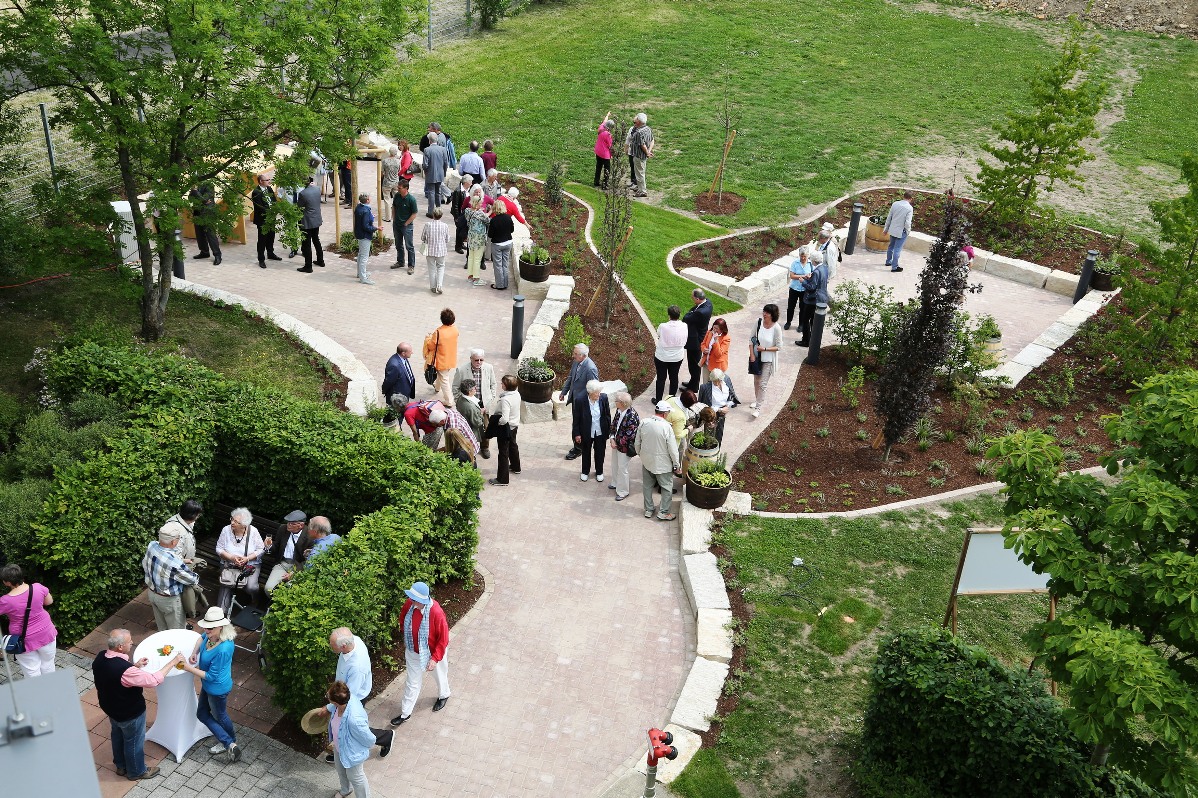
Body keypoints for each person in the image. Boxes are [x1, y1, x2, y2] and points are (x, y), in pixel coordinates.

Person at [93, 629, 183, 781]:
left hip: (110, 708)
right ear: (120, 647)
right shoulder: (125, 671)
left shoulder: (101, 656)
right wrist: (173, 662)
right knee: (134, 741)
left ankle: (121, 766)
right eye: (129, 641)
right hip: (129, 712)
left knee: (117, 735)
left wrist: (135, 666)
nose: (132, 643)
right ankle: (137, 771)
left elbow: (115, 675)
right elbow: (154, 680)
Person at [180, 607, 241, 763]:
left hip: (217, 689)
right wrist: (195, 652)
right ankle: (229, 742)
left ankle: (229, 742)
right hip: (209, 686)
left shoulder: (224, 648)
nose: (206, 629)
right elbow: (201, 638)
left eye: (210, 627)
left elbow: (212, 676)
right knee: (203, 714)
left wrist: (188, 668)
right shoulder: (211, 635)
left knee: (219, 715)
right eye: (205, 626)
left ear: (220, 626)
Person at [389, 581, 451, 726]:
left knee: (439, 674)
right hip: (413, 651)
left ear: (423, 600)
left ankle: (444, 694)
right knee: (412, 682)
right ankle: (405, 713)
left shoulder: (436, 612)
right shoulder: (409, 604)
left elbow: (443, 638)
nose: (412, 602)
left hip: (433, 651)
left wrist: (435, 659)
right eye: (411, 599)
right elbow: (403, 619)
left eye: (415, 600)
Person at [328, 627, 394, 760]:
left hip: (354, 697)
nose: (330, 647)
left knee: (351, 726)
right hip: (345, 692)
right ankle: (339, 749)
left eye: (332, 645)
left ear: (344, 646)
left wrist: (330, 706)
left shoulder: (357, 667)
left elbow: (348, 695)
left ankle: (385, 737)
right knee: (340, 724)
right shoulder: (354, 641)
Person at [0, 563, 57, 678]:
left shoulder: (5, 600)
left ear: (7, 582)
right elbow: (49, 601)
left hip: (23, 640)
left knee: (31, 671)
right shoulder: (38, 587)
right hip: (47, 633)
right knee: (48, 664)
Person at [322, 681, 375, 798]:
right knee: (341, 771)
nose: (327, 697)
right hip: (339, 745)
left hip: (352, 752)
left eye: (328, 697)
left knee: (356, 778)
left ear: (336, 702)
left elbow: (369, 739)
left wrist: (359, 749)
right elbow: (333, 707)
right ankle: (346, 790)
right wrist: (327, 707)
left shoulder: (354, 720)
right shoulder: (345, 699)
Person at [142, 525, 200, 631]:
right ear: (173, 542)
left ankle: (164, 647)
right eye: (178, 538)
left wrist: (182, 560)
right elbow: (191, 580)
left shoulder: (152, 545)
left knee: (162, 628)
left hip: (152, 593)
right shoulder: (175, 563)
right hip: (169, 600)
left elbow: (162, 560)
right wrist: (195, 574)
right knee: (176, 631)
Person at [159, 500, 206, 619]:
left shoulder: (184, 521)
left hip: (186, 562)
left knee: (187, 591)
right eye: (198, 515)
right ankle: (184, 615)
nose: (199, 517)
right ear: (192, 516)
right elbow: (173, 556)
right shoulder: (176, 531)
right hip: (181, 566)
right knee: (185, 592)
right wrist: (187, 562)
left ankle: (187, 611)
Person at [634, 401, 681, 521]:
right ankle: (663, 512)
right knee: (666, 488)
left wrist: (641, 455)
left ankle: (649, 510)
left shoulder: (644, 422)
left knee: (647, 486)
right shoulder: (667, 427)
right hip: (663, 465)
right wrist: (676, 464)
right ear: (665, 413)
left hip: (647, 462)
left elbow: (637, 443)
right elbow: (673, 449)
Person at [215, 507, 264, 615]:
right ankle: (222, 614)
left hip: (250, 565)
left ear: (244, 524)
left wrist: (247, 558)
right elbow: (219, 548)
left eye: (236, 522)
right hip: (229, 565)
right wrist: (232, 558)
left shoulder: (253, 531)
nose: (232, 523)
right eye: (232, 519)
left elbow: (261, 549)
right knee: (225, 593)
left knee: (251, 587)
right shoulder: (226, 530)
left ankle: (255, 599)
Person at [453, 348, 498, 457]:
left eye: (481, 360)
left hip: (483, 404)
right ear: (471, 359)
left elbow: (493, 384)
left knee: (485, 427)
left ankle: (485, 447)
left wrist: (491, 398)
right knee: (468, 427)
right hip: (468, 404)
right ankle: (467, 448)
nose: (479, 362)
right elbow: (455, 387)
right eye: (476, 360)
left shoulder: (489, 368)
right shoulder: (462, 370)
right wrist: (460, 401)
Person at [559, 344, 600, 460]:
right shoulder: (577, 362)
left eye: (576, 354)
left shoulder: (590, 369)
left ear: (583, 355)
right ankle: (578, 444)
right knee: (576, 424)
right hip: (575, 399)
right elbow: (570, 377)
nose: (573, 356)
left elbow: (593, 388)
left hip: (583, 404)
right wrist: (564, 392)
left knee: (579, 426)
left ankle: (578, 448)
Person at [748, 303, 782, 419]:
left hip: (768, 359)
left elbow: (779, 346)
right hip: (757, 357)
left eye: (767, 312)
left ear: (773, 315)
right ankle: (757, 400)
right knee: (756, 380)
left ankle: (758, 408)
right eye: (764, 311)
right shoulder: (758, 323)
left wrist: (765, 349)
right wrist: (752, 354)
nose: (764, 314)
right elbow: (751, 339)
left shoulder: (776, 328)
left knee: (763, 383)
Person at [572, 380, 611, 482]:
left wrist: (608, 431)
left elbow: (607, 415)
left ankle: (599, 472)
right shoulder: (580, 400)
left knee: (600, 452)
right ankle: (585, 471)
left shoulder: (603, 398)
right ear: (590, 392)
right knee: (586, 452)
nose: (599, 394)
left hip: (600, 432)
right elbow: (576, 419)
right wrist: (577, 434)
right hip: (586, 432)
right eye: (596, 393)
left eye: (599, 392)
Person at [264, 510, 309, 595]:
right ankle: (272, 604)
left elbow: (308, 560)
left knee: (290, 591)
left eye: (292, 523)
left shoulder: (309, 535)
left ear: (301, 525)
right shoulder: (283, 529)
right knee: (268, 589)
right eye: (288, 522)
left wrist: (295, 572)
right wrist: (269, 546)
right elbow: (276, 546)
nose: (288, 525)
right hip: (282, 564)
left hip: (298, 567)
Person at [489, 375, 521, 486]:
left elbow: (504, 418)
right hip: (514, 425)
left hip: (506, 427)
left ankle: (502, 479)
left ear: (506, 386)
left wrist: (498, 423)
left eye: (502, 383)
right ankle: (516, 467)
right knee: (513, 445)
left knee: (503, 452)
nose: (501, 384)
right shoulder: (517, 394)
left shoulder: (505, 399)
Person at [608, 392, 640, 502]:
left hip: (624, 447)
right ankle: (615, 482)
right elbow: (614, 425)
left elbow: (630, 435)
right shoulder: (619, 410)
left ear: (622, 403)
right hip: (616, 443)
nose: (615, 402)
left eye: (616, 401)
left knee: (623, 469)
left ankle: (623, 491)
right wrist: (612, 438)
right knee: (615, 464)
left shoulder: (632, 416)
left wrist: (616, 442)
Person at [653, 304, 689, 403]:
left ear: (669, 315)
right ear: (679, 315)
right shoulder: (684, 325)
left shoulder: (663, 326)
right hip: (677, 357)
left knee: (661, 378)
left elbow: (659, 335)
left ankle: (658, 400)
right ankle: (672, 399)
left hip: (662, 357)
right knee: (674, 377)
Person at [424, 308, 459, 406]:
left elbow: (431, 346)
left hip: (441, 359)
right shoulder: (455, 329)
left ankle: (449, 401)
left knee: (444, 379)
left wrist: (428, 338)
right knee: (442, 375)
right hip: (450, 357)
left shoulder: (438, 332)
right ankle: (437, 388)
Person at [682, 288, 714, 391]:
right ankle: (692, 382)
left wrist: (690, 313)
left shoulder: (700, 312)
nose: (692, 299)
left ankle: (694, 387)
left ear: (697, 298)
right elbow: (691, 312)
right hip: (699, 336)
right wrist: (691, 312)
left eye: (693, 298)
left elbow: (686, 318)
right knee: (693, 364)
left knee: (694, 365)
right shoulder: (707, 303)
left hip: (695, 341)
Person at [697, 368, 741, 442]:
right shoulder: (704, 387)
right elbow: (702, 405)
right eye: (714, 381)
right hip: (710, 413)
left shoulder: (726, 380)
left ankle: (717, 451)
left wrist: (727, 406)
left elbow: (731, 397)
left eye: (719, 381)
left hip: (723, 412)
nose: (717, 383)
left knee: (719, 434)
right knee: (709, 436)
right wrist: (719, 409)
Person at [798, 251, 829, 348]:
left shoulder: (816, 272)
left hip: (813, 299)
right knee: (813, 320)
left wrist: (803, 281)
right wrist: (810, 277)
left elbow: (812, 287)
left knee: (805, 320)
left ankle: (806, 341)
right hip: (821, 297)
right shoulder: (824, 268)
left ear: (814, 261)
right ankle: (813, 340)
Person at [250, 173, 282, 269]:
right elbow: (260, 207)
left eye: (269, 179)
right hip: (263, 219)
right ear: (260, 181)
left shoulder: (269, 189)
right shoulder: (256, 192)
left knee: (271, 236)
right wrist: (271, 212)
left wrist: (276, 210)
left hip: (271, 217)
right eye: (267, 180)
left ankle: (270, 253)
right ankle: (261, 259)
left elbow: (274, 201)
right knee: (262, 239)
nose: (269, 181)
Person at [296, 176, 325, 273]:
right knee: (316, 239)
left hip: (307, 221)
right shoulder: (317, 189)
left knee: (306, 243)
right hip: (316, 219)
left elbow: (299, 206)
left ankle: (308, 266)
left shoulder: (303, 193)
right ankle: (321, 261)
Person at [188, 182, 222, 265]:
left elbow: (205, 199)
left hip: (208, 214)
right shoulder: (194, 186)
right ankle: (204, 252)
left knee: (211, 235)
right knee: (199, 234)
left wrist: (195, 192)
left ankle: (217, 255)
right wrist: (200, 198)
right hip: (197, 213)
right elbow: (190, 199)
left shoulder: (209, 185)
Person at [421, 207, 450, 295]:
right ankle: (439, 285)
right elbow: (447, 239)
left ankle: (433, 287)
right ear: (441, 216)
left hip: (430, 250)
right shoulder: (445, 226)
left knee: (431, 268)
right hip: (441, 250)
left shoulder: (427, 225)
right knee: (441, 267)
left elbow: (423, 237)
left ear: (433, 215)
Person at [883, 191, 914, 273]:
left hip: (892, 229)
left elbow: (889, 217)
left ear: (903, 196)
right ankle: (894, 267)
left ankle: (888, 261)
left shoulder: (895, 204)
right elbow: (907, 222)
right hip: (901, 231)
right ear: (911, 199)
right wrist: (908, 231)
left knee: (891, 246)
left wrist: (886, 229)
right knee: (897, 249)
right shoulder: (909, 208)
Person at [454, 378, 486, 457]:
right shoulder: (470, 407)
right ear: (469, 391)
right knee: (470, 449)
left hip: (464, 426)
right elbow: (477, 423)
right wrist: (481, 413)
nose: (476, 389)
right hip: (471, 430)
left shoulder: (460, 398)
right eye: (474, 388)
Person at [487, 199, 514, 290]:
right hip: (508, 243)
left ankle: (499, 285)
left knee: (498, 265)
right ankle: (505, 284)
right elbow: (512, 230)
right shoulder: (508, 217)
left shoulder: (494, 220)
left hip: (497, 244)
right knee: (505, 264)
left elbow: (490, 235)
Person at [784, 249, 812, 331]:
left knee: (803, 307)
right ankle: (788, 322)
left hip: (804, 289)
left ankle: (801, 324)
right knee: (791, 306)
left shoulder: (810, 264)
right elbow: (792, 276)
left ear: (807, 256)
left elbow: (812, 274)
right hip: (794, 288)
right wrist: (804, 276)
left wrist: (809, 276)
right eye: (801, 256)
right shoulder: (795, 263)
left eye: (804, 256)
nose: (803, 258)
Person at [422, 133, 450, 216]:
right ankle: (439, 210)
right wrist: (444, 173)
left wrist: (426, 172)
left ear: (429, 140)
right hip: (440, 174)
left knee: (431, 192)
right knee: (438, 192)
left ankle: (431, 212)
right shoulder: (443, 149)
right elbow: (446, 163)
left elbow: (425, 165)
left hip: (430, 174)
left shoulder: (427, 150)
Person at [382, 342, 417, 407]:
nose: (412, 353)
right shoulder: (394, 365)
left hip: (404, 394)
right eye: (410, 351)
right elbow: (389, 381)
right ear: (403, 353)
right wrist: (385, 391)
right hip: (398, 398)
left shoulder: (403, 358)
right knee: (396, 415)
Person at [464, 194, 490, 282]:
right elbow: (487, 221)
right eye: (480, 204)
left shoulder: (467, 211)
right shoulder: (480, 214)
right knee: (477, 258)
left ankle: (470, 275)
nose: (481, 205)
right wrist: (490, 212)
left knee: (471, 257)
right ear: (476, 203)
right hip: (479, 239)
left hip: (470, 237)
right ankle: (476, 277)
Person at [353, 193, 376, 286]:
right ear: (367, 201)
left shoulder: (359, 207)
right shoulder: (366, 210)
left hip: (359, 233)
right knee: (364, 257)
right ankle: (363, 278)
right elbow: (366, 226)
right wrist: (376, 228)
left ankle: (360, 273)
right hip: (365, 235)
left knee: (360, 254)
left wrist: (371, 217)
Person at [698, 317, 730, 386]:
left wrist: (716, 341)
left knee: (715, 386)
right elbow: (703, 344)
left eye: (717, 329)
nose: (714, 330)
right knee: (706, 385)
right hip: (707, 363)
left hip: (717, 367)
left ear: (722, 329)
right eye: (714, 327)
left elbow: (719, 354)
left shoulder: (726, 338)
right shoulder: (709, 332)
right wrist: (703, 349)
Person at [628, 112, 654, 197]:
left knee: (639, 174)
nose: (635, 120)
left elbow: (642, 145)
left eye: (636, 119)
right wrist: (649, 152)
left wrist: (647, 153)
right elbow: (652, 140)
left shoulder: (639, 132)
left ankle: (642, 191)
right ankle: (639, 187)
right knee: (640, 172)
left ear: (639, 121)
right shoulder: (648, 129)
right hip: (643, 155)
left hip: (638, 155)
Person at [450, 174, 474, 254]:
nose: (471, 183)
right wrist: (457, 217)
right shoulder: (458, 191)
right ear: (466, 182)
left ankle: (461, 243)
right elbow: (455, 206)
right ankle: (458, 246)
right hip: (460, 214)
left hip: (465, 214)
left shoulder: (468, 190)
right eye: (470, 182)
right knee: (459, 230)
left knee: (464, 229)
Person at [380, 145, 401, 223]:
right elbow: (399, 170)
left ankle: (388, 217)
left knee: (387, 199)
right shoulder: (398, 161)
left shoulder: (385, 161)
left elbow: (382, 172)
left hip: (387, 182)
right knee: (396, 199)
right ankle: (396, 216)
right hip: (396, 182)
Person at [594, 112, 615, 187]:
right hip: (605, 155)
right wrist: (612, 154)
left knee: (598, 167)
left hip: (598, 152)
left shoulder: (601, 127)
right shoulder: (608, 135)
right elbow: (610, 146)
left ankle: (596, 182)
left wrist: (607, 115)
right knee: (607, 170)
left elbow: (605, 120)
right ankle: (605, 184)